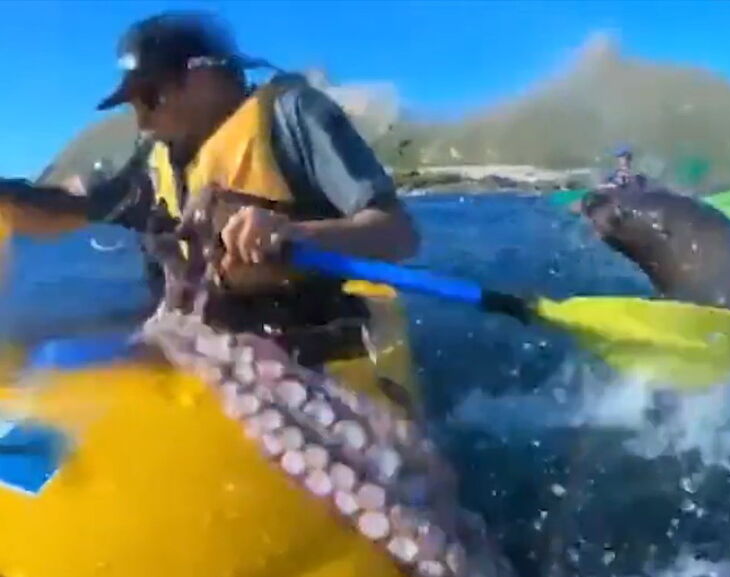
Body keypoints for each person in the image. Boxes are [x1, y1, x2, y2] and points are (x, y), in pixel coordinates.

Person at [0, 11, 420, 368]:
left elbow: (399, 233)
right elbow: (70, 205)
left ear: (203, 76)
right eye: (135, 105)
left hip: (313, 344)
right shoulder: (156, 162)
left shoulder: (293, 117)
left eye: (151, 96)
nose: (142, 120)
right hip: (199, 343)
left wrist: (296, 235)